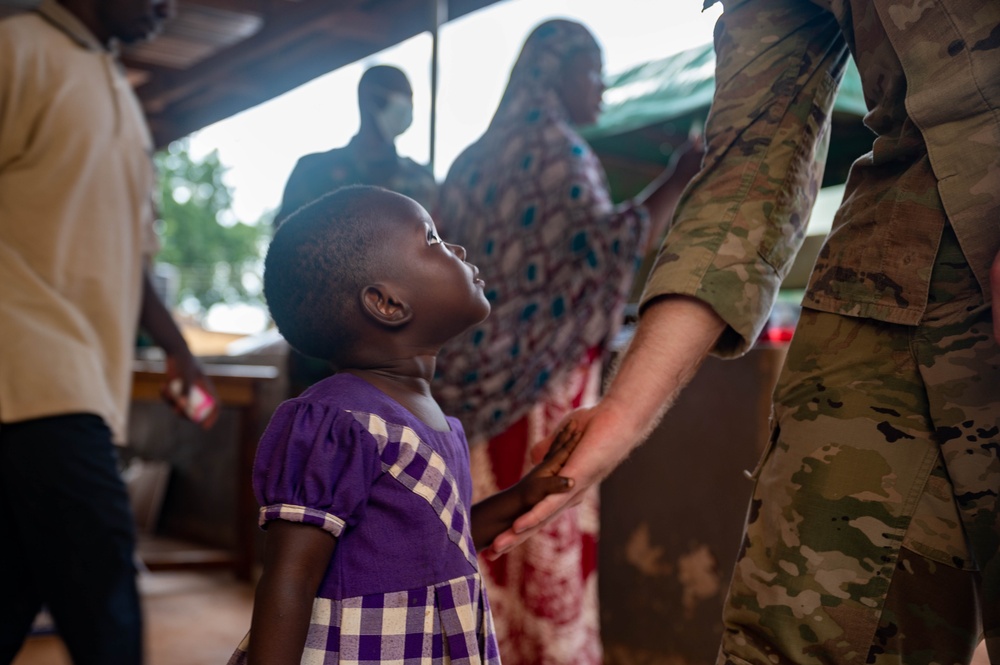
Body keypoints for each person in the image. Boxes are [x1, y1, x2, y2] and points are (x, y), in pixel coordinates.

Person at [493, 1, 1000, 664]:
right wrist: (624, 408)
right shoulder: (560, 158)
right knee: (790, 633)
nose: (601, 87)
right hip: (889, 273)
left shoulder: (516, 155)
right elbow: (753, 158)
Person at [432, 19, 702, 665]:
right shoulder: (562, 154)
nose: (602, 86)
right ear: (554, 73)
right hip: (537, 388)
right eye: (592, 70)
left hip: (458, 387)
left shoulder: (473, 157)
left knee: (467, 541)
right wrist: (678, 177)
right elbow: (604, 254)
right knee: (536, 535)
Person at [227, 185, 582, 665]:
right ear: (388, 304)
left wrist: (519, 497)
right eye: (432, 240)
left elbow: (435, 550)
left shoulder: (439, 424)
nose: (456, 248)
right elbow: (291, 577)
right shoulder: (337, 421)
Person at [0, 1, 219, 663]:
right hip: (32, 371)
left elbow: (137, 253)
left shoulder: (120, 92)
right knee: (105, 599)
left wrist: (179, 348)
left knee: (17, 586)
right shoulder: (17, 50)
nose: (170, 6)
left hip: (82, 385)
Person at [275, 64, 438, 396]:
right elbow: (285, 252)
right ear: (369, 99)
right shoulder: (313, 172)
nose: (407, 106)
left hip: (396, 351)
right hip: (320, 348)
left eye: (411, 97)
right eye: (399, 95)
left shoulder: (421, 181)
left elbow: (435, 258)